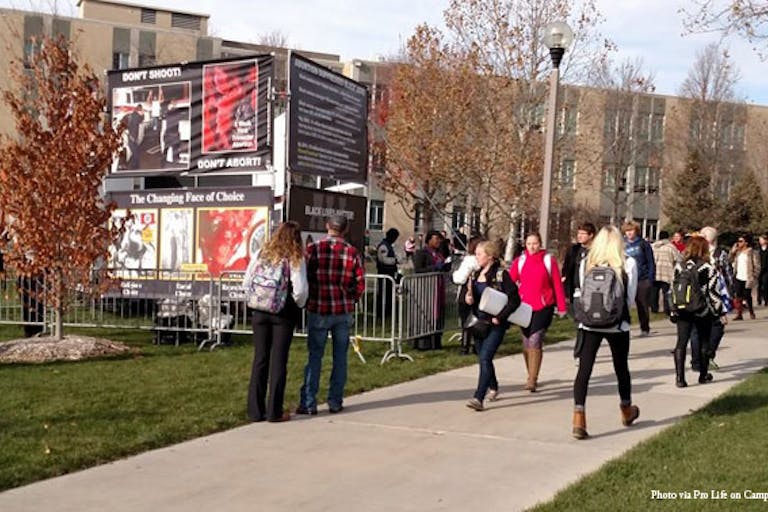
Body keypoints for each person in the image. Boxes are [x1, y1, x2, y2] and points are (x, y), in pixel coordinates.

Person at [571, 226, 639, 440]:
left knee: (584, 370)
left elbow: (582, 292)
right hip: (617, 324)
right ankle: (626, 409)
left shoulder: (587, 263)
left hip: (589, 324)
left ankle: (578, 417)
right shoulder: (627, 263)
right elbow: (630, 299)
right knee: (621, 368)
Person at [296, 215, 365, 415]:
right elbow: (360, 282)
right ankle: (335, 400)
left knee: (315, 356)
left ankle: (309, 402)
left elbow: (303, 276)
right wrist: (351, 297)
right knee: (340, 357)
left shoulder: (313, 249)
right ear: (345, 229)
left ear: (328, 226)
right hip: (342, 309)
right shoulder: (351, 252)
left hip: (318, 308)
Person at [243, 221, 308, 423]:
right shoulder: (295, 258)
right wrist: (299, 305)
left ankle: (255, 410)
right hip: (283, 313)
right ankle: (274, 411)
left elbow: (247, 281)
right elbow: (300, 290)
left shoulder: (262, 253)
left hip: (259, 310)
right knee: (279, 360)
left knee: (260, 358)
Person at [464, 241, 521, 411]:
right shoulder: (474, 275)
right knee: (483, 357)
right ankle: (493, 385)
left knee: (485, 357)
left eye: (480, 254)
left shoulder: (501, 275)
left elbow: (515, 300)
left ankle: (478, 397)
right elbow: (472, 298)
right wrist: (469, 299)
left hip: (496, 324)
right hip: (479, 323)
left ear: (490, 256)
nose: (477, 257)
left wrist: (501, 316)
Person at [509, 232, 567, 392]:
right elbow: (510, 281)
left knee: (535, 339)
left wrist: (561, 307)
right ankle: (530, 373)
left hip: (543, 307)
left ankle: (532, 379)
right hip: (524, 308)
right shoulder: (520, 261)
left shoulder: (548, 260)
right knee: (526, 341)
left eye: (535, 243)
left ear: (540, 243)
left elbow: (557, 284)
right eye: (529, 244)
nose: (532, 247)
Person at [671, 236, 725, 388]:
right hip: (702, 309)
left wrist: (673, 309)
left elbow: (673, 288)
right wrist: (718, 311)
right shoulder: (708, 267)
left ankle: (680, 378)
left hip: (683, 310)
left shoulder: (680, 266)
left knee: (681, 343)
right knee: (704, 342)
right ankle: (703, 375)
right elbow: (713, 292)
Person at [690, 226, 732, 372]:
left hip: (702, 295)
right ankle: (704, 357)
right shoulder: (715, 254)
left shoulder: (705, 253)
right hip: (709, 295)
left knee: (698, 329)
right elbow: (727, 275)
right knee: (715, 326)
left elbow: (726, 274)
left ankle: (699, 359)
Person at [561, 222, 596, 360]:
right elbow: (567, 268)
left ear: (591, 235)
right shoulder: (574, 250)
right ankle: (582, 349)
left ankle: (580, 352)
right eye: (578, 233)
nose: (579, 236)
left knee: (583, 323)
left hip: (591, 292)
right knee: (579, 321)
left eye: (583, 234)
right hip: (575, 291)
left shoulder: (595, 251)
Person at [412, 230, 451, 350]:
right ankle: (424, 343)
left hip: (438, 288)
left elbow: (444, 266)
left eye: (439, 239)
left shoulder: (439, 253)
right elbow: (418, 269)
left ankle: (437, 341)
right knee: (427, 314)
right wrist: (434, 268)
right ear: (429, 240)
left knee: (439, 314)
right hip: (426, 289)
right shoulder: (422, 253)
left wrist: (446, 265)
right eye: (435, 239)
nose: (438, 241)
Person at [452, 236, 485, 355]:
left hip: (468, 291)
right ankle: (476, 347)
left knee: (467, 321)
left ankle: (464, 348)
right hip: (481, 291)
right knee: (477, 319)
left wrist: (454, 275)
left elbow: (460, 278)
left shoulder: (470, 260)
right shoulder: (485, 261)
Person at [622, 220, 655, 337]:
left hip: (642, 278)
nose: (629, 233)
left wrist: (650, 278)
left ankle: (645, 328)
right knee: (625, 302)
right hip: (627, 278)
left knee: (642, 304)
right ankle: (624, 326)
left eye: (631, 230)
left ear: (636, 231)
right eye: (627, 231)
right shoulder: (622, 244)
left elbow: (651, 261)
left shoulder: (643, 244)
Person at [651, 231, 681, 316]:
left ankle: (654, 309)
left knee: (654, 292)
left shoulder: (653, 246)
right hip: (667, 272)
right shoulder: (671, 247)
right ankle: (666, 309)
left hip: (655, 271)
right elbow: (678, 259)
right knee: (666, 292)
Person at [729, 234, 758, 320]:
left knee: (747, 295)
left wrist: (754, 276)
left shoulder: (752, 252)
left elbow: (757, 265)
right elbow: (729, 260)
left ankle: (751, 312)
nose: (739, 243)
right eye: (738, 241)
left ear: (746, 242)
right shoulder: (738, 252)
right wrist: (733, 251)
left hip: (748, 277)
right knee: (738, 296)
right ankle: (739, 313)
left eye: (741, 241)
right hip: (738, 276)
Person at [375, 228, 400, 317]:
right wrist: (395, 260)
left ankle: (387, 311)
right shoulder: (383, 246)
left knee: (389, 293)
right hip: (384, 272)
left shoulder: (389, 245)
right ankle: (381, 312)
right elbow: (383, 259)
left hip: (390, 273)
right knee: (383, 293)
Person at [125, 104, 145, 170]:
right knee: (136, 153)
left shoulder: (133, 115)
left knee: (135, 152)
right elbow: (140, 120)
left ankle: (134, 166)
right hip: (132, 137)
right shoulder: (136, 117)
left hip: (131, 137)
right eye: (142, 110)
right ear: (140, 110)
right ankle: (135, 167)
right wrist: (133, 138)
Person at [758, 234, 768, 307]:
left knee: (765, 284)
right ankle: (759, 299)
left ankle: (766, 300)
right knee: (759, 284)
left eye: (761, 240)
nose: (760, 241)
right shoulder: (759, 250)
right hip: (759, 269)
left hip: (766, 269)